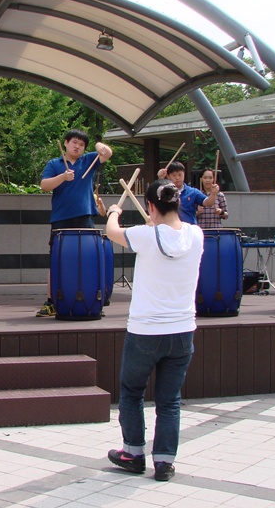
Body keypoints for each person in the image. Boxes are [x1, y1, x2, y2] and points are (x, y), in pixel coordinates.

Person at [105, 180, 204, 482]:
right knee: (169, 400)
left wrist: (113, 211)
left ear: (150, 206)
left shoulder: (145, 236)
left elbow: (111, 232)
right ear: (178, 203)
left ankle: (133, 453)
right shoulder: (196, 235)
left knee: (132, 391)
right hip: (182, 331)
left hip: (145, 331)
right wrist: (155, 224)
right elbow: (168, 233)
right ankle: (164, 462)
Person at [36, 129, 112, 317]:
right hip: (61, 218)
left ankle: (92, 299)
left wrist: (98, 145)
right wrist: (63, 177)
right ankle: (52, 301)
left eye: (81, 144)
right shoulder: (54, 164)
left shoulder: (88, 160)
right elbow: (44, 185)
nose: (77, 146)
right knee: (57, 259)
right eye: (74, 142)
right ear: (66, 143)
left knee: (90, 259)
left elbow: (107, 153)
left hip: (85, 216)